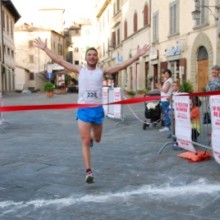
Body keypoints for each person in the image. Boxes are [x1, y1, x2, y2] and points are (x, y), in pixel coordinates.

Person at [34, 37, 150, 184]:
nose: (92, 56)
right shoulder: (79, 70)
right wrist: (45, 48)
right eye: (89, 54)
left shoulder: (102, 71)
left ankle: (92, 140)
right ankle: (88, 171)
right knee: (85, 140)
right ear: (85, 57)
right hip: (83, 110)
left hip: (97, 110)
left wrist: (137, 55)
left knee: (97, 139)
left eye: (94, 54)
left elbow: (121, 66)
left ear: (97, 58)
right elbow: (60, 61)